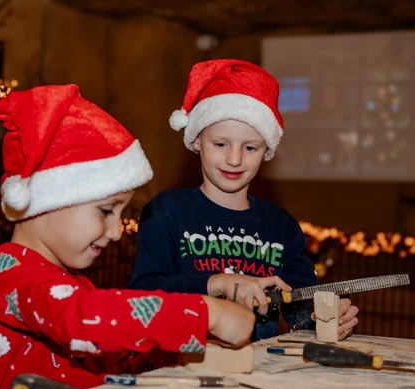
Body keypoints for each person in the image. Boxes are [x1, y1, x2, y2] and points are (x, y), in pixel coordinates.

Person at [0, 84, 255, 389]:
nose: (116, 232)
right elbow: (82, 320)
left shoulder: (68, 280)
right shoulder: (7, 271)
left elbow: (108, 357)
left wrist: (173, 351)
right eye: (106, 210)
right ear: (47, 199)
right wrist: (205, 314)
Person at [129, 59, 359, 341]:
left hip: (255, 364)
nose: (235, 159)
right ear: (197, 141)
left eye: (250, 147)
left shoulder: (282, 226)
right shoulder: (168, 211)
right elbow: (143, 295)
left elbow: (299, 308)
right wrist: (217, 282)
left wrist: (324, 319)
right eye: (220, 144)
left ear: (267, 151)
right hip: (179, 361)